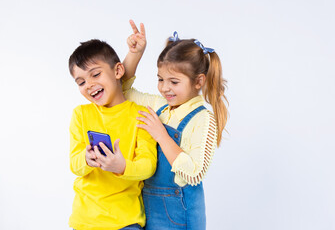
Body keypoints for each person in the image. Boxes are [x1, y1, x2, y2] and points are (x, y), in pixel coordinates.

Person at [124, 26, 228, 230]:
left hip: (179, 215)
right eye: (160, 79)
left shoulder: (203, 119)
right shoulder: (159, 105)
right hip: (148, 207)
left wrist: (162, 136)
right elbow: (122, 91)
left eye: (174, 81)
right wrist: (135, 54)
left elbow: (194, 174)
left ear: (198, 81)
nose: (164, 87)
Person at [68, 27, 157, 230]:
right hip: (85, 220)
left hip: (125, 221)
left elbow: (148, 165)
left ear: (118, 71)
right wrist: (86, 159)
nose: (89, 85)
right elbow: (74, 164)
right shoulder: (81, 114)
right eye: (81, 82)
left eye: (95, 74)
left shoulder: (141, 114)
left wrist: (122, 166)